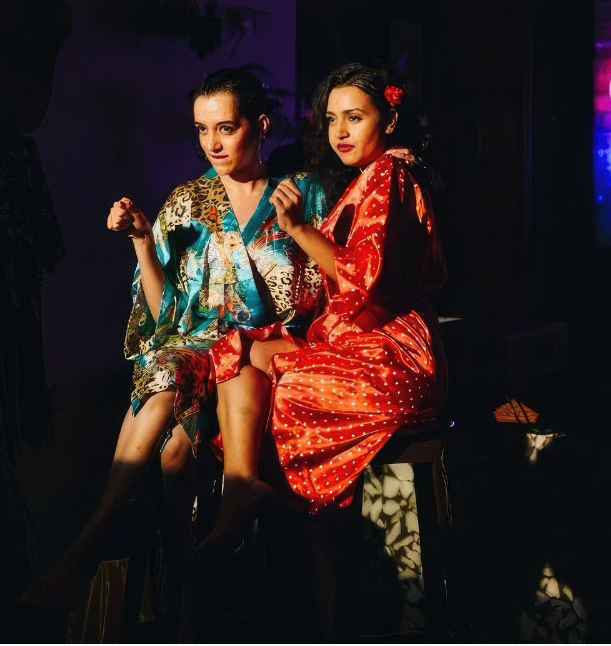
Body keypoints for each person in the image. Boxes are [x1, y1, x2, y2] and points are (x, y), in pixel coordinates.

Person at [19, 68, 331, 605]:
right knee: (166, 389)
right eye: (201, 129)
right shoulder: (185, 203)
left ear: (261, 125)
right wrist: (143, 241)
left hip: (278, 356)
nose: (211, 143)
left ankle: (184, 589)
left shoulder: (303, 193)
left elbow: (338, 289)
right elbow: (166, 322)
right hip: (201, 355)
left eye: (225, 128)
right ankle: (101, 554)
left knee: (177, 452)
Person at [202, 63, 446, 543]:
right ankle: (240, 487)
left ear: (389, 120)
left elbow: (363, 278)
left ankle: (299, 541)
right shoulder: (371, 176)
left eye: (354, 118)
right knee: (238, 349)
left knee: (282, 388)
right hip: (358, 339)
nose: (340, 132)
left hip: (389, 351)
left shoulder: (388, 174)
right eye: (332, 120)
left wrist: (297, 229)